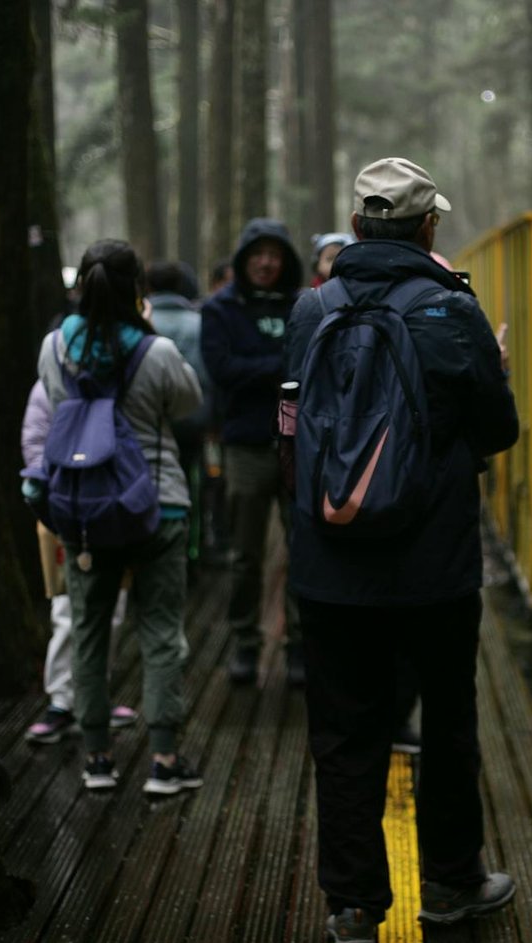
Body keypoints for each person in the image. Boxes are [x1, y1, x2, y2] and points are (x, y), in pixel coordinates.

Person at [285, 157, 520, 943]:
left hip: (330, 568)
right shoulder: (451, 312)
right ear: (428, 230)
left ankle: (353, 910)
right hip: (435, 568)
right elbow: (499, 431)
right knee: (448, 724)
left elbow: (290, 435)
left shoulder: (312, 310)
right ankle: (452, 885)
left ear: (354, 228)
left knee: (345, 737)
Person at [37, 240, 204, 794]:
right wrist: (149, 333)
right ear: (139, 291)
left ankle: (98, 758)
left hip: (83, 507)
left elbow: (58, 401)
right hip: (157, 505)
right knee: (160, 633)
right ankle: (162, 760)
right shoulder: (153, 352)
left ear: (81, 285)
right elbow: (187, 402)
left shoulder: (55, 347)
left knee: (88, 632)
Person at [201, 219, 306, 687]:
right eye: (257, 254)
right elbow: (222, 370)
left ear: (285, 260)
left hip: (298, 444)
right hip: (244, 444)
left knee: (303, 548)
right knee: (245, 554)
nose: (266, 262)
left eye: (275, 254)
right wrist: (279, 368)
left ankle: (299, 645)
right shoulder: (221, 309)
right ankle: (246, 642)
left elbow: (307, 367)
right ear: (244, 259)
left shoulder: (300, 306)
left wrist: (264, 371)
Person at [20, 379, 140, 743]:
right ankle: (61, 700)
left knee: (113, 607)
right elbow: (35, 440)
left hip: (110, 507)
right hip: (65, 510)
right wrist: (58, 489)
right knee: (66, 606)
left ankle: (95, 695)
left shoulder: (119, 378)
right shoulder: (48, 383)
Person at [145, 261, 212, 569]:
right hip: (190, 424)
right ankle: (191, 553)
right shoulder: (198, 324)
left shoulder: (140, 321)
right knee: (190, 489)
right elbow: (207, 378)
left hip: (145, 424)